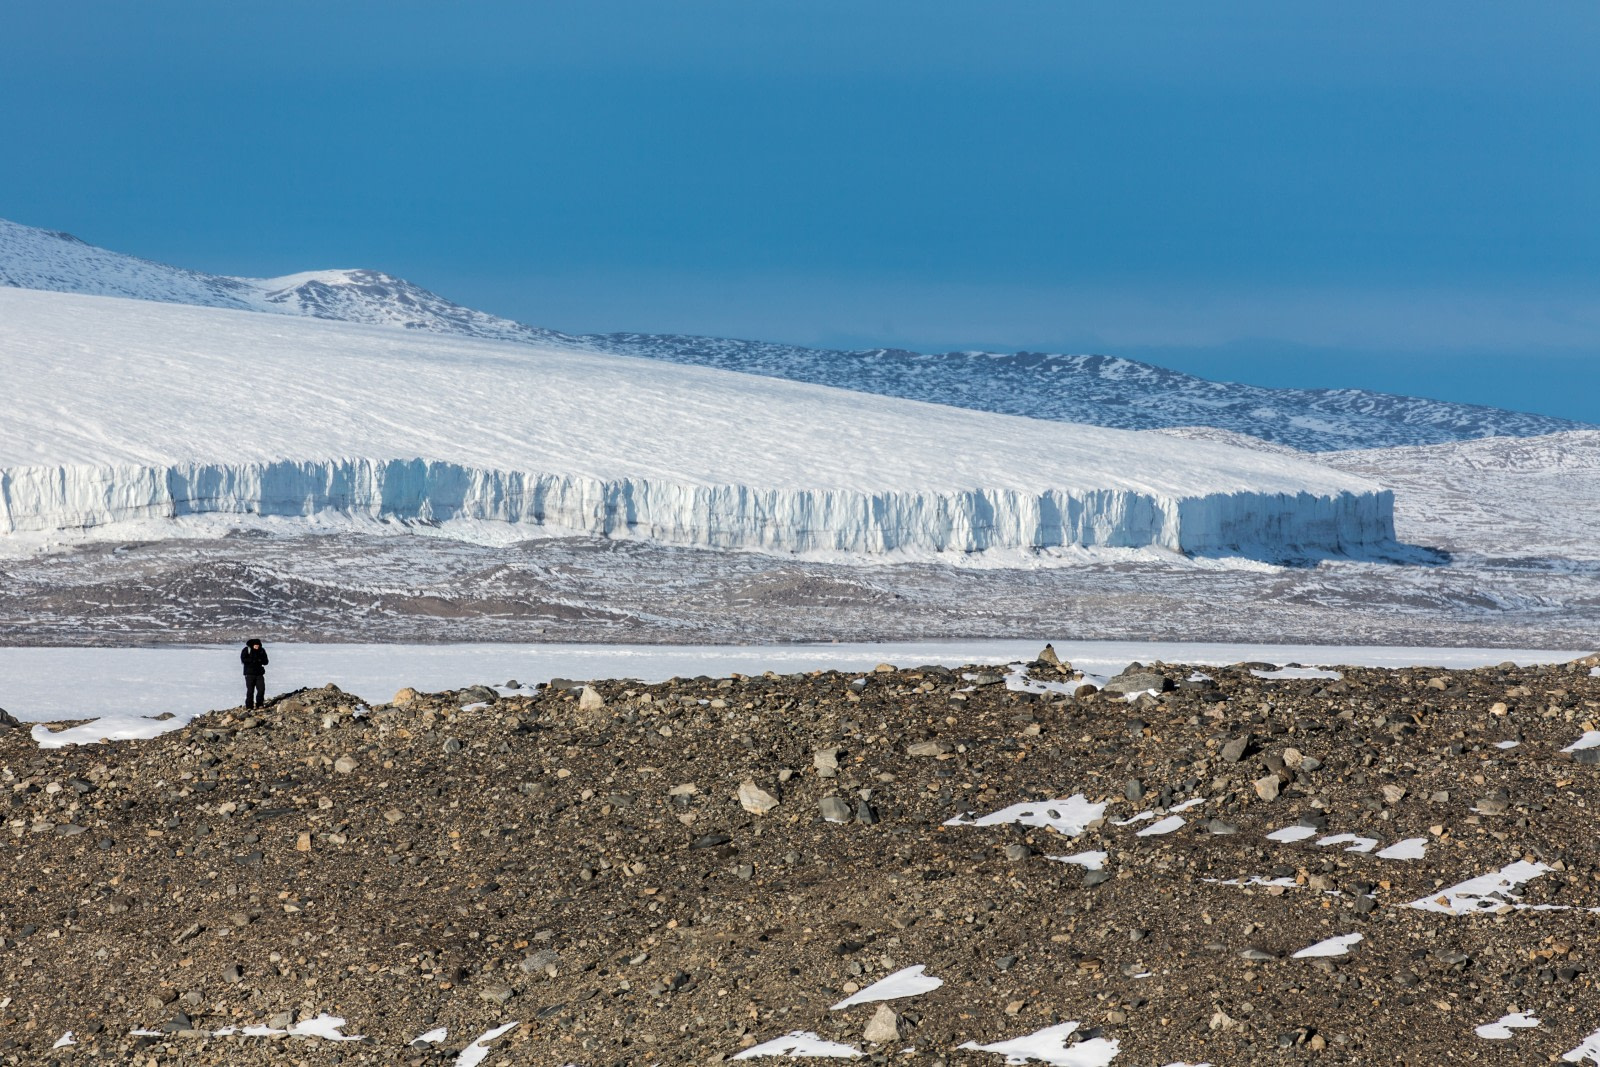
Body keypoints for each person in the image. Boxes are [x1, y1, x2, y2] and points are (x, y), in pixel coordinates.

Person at [241, 638, 269, 709]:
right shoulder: (247, 650)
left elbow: (266, 661)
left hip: (259, 674)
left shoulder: (262, 651)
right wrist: (253, 660)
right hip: (249, 674)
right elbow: (243, 659)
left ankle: (259, 704)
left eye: (258, 645)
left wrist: (260, 660)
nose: (257, 646)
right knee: (250, 691)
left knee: (261, 689)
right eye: (255, 645)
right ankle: (249, 706)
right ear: (252, 645)